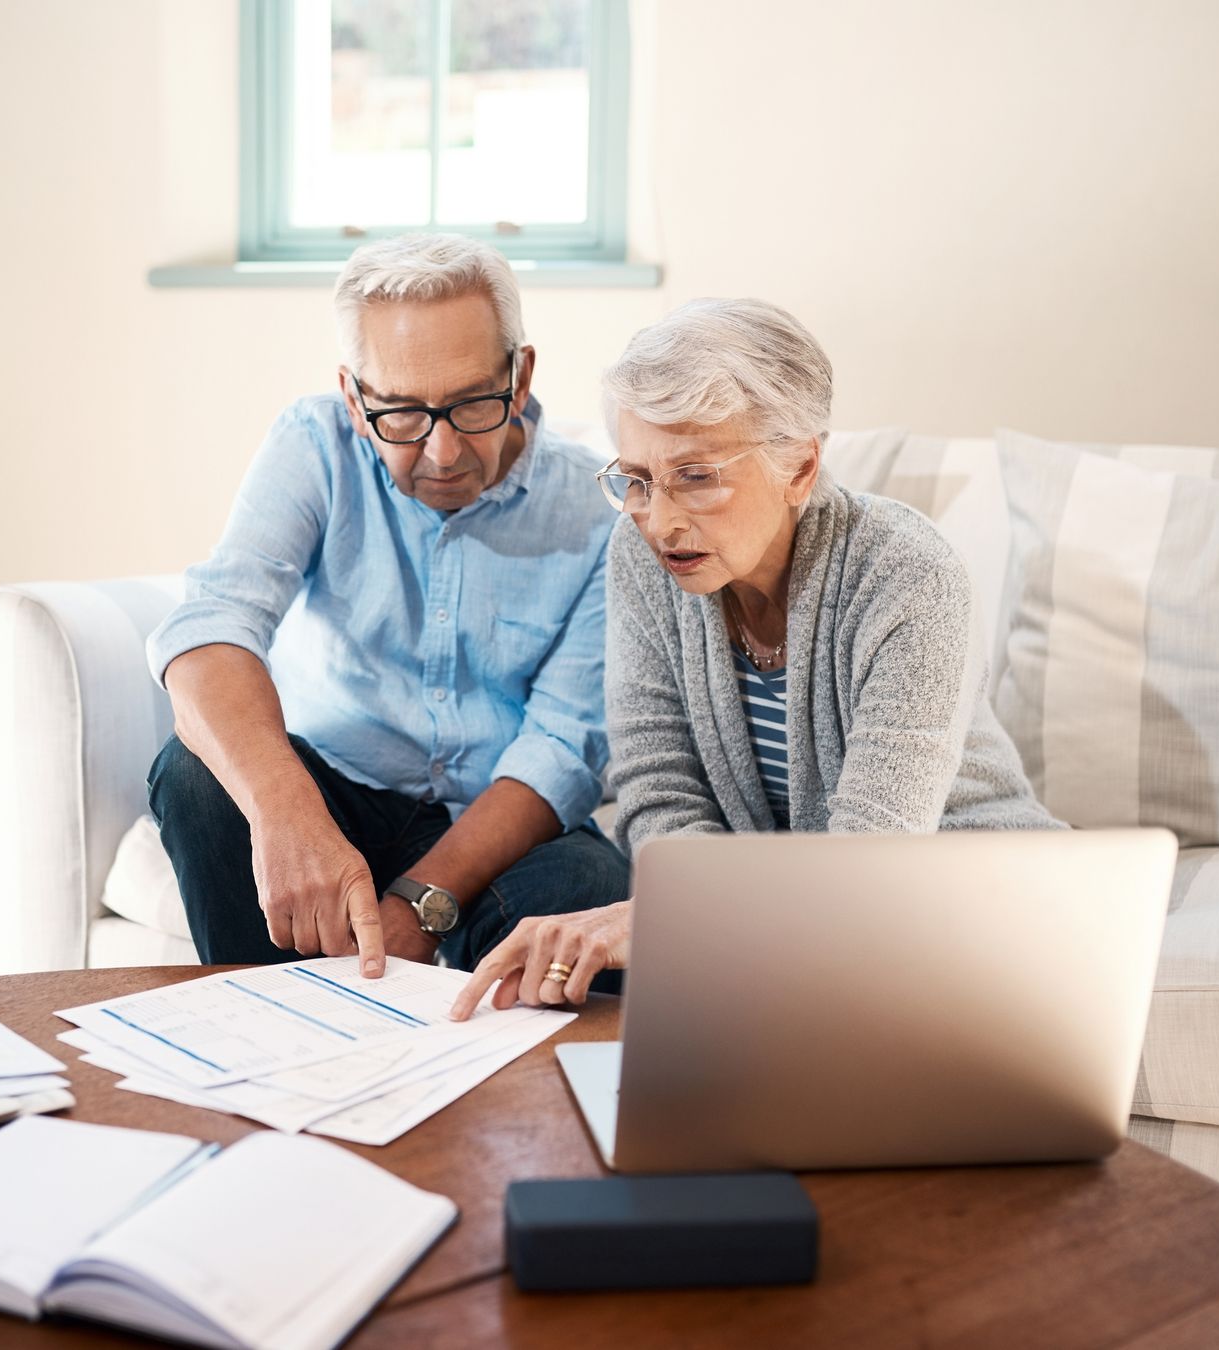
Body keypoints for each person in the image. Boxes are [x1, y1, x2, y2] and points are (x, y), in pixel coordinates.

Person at [450, 298, 1062, 1017]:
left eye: (697, 476)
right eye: (638, 480)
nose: (660, 519)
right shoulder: (644, 558)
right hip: (782, 923)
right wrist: (707, 922)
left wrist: (679, 923)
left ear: (800, 468)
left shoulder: (908, 575)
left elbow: (872, 865)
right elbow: (656, 794)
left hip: (957, 896)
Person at [147, 233, 630, 981]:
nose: (441, 454)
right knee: (193, 777)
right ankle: (261, 1026)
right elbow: (213, 627)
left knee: (593, 888)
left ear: (522, 374)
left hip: (494, 819)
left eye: (474, 405)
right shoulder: (314, 443)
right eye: (400, 413)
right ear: (353, 395)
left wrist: (416, 907)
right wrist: (287, 815)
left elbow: (563, 747)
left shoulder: (601, 512)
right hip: (335, 785)